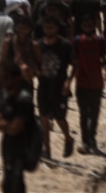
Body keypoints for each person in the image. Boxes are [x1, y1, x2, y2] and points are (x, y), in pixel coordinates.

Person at [36, 16, 75, 159]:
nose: (48, 30)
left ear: (57, 28)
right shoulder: (38, 45)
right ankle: (47, 150)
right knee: (44, 119)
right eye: (46, 27)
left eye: (51, 27)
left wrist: (68, 82)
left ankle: (68, 138)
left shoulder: (65, 45)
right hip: (43, 87)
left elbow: (75, 64)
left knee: (60, 118)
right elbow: (34, 63)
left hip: (60, 87)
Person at [0, 64, 35, 193]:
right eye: (3, 78)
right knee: (7, 183)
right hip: (7, 147)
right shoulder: (6, 99)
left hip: (22, 148)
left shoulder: (24, 100)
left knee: (16, 184)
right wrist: (9, 124)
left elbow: (15, 128)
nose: (4, 81)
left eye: (8, 78)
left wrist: (5, 124)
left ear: (17, 78)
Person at [70, 16, 106, 154]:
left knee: (95, 113)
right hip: (82, 83)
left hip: (97, 83)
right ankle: (85, 141)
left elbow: (103, 58)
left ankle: (92, 138)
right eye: (85, 27)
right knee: (83, 114)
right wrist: (69, 80)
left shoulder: (100, 41)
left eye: (90, 26)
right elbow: (73, 62)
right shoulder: (78, 41)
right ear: (82, 27)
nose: (88, 29)